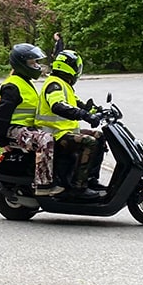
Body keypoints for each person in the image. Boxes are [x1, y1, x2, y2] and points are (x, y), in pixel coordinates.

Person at [0, 43, 62, 196]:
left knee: (63, 137)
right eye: (32, 63)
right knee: (45, 140)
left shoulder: (25, 82)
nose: (37, 66)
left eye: (36, 62)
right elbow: (1, 117)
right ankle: (44, 185)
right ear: (21, 64)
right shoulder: (12, 86)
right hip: (15, 130)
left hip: (29, 128)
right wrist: (2, 140)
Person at [36, 50, 105, 200]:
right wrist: (85, 115)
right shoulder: (54, 84)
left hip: (64, 132)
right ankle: (78, 188)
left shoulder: (63, 84)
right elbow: (58, 105)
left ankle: (90, 179)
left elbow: (77, 104)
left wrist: (96, 111)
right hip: (55, 134)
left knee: (99, 136)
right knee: (89, 142)